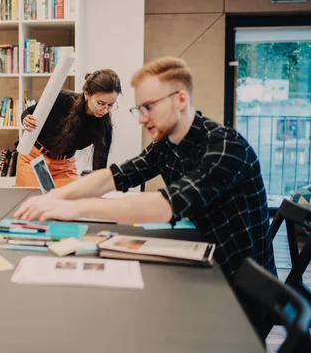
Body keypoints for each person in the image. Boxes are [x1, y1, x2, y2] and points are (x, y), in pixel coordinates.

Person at [15, 57, 276, 284]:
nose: (141, 118)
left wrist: (74, 207)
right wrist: (55, 197)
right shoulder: (167, 145)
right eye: (138, 109)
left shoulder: (226, 147)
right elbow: (115, 175)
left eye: (148, 107)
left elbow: (166, 206)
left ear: (181, 100)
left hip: (236, 281)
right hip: (198, 258)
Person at [16, 69, 122, 187]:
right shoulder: (63, 99)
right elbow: (29, 111)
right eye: (100, 103)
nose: (105, 110)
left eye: (110, 105)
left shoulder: (104, 125)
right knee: (32, 200)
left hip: (64, 167)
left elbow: (100, 166)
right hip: (34, 159)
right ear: (87, 94)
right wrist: (26, 118)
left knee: (69, 202)